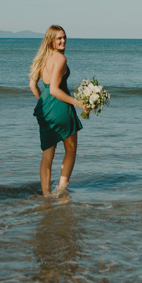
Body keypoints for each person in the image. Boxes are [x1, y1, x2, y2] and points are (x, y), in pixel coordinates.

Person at [29, 25, 85, 196]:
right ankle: (61, 190)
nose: (63, 41)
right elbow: (54, 89)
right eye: (59, 38)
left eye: (64, 37)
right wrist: (77, 103)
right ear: (51, 40)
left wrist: (44, 103)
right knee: (71, 149)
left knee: (47, 155)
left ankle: (46, 195)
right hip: (61, 108)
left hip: (45, 110)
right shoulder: (60, 59)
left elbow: (33, 85)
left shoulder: (41, 58)